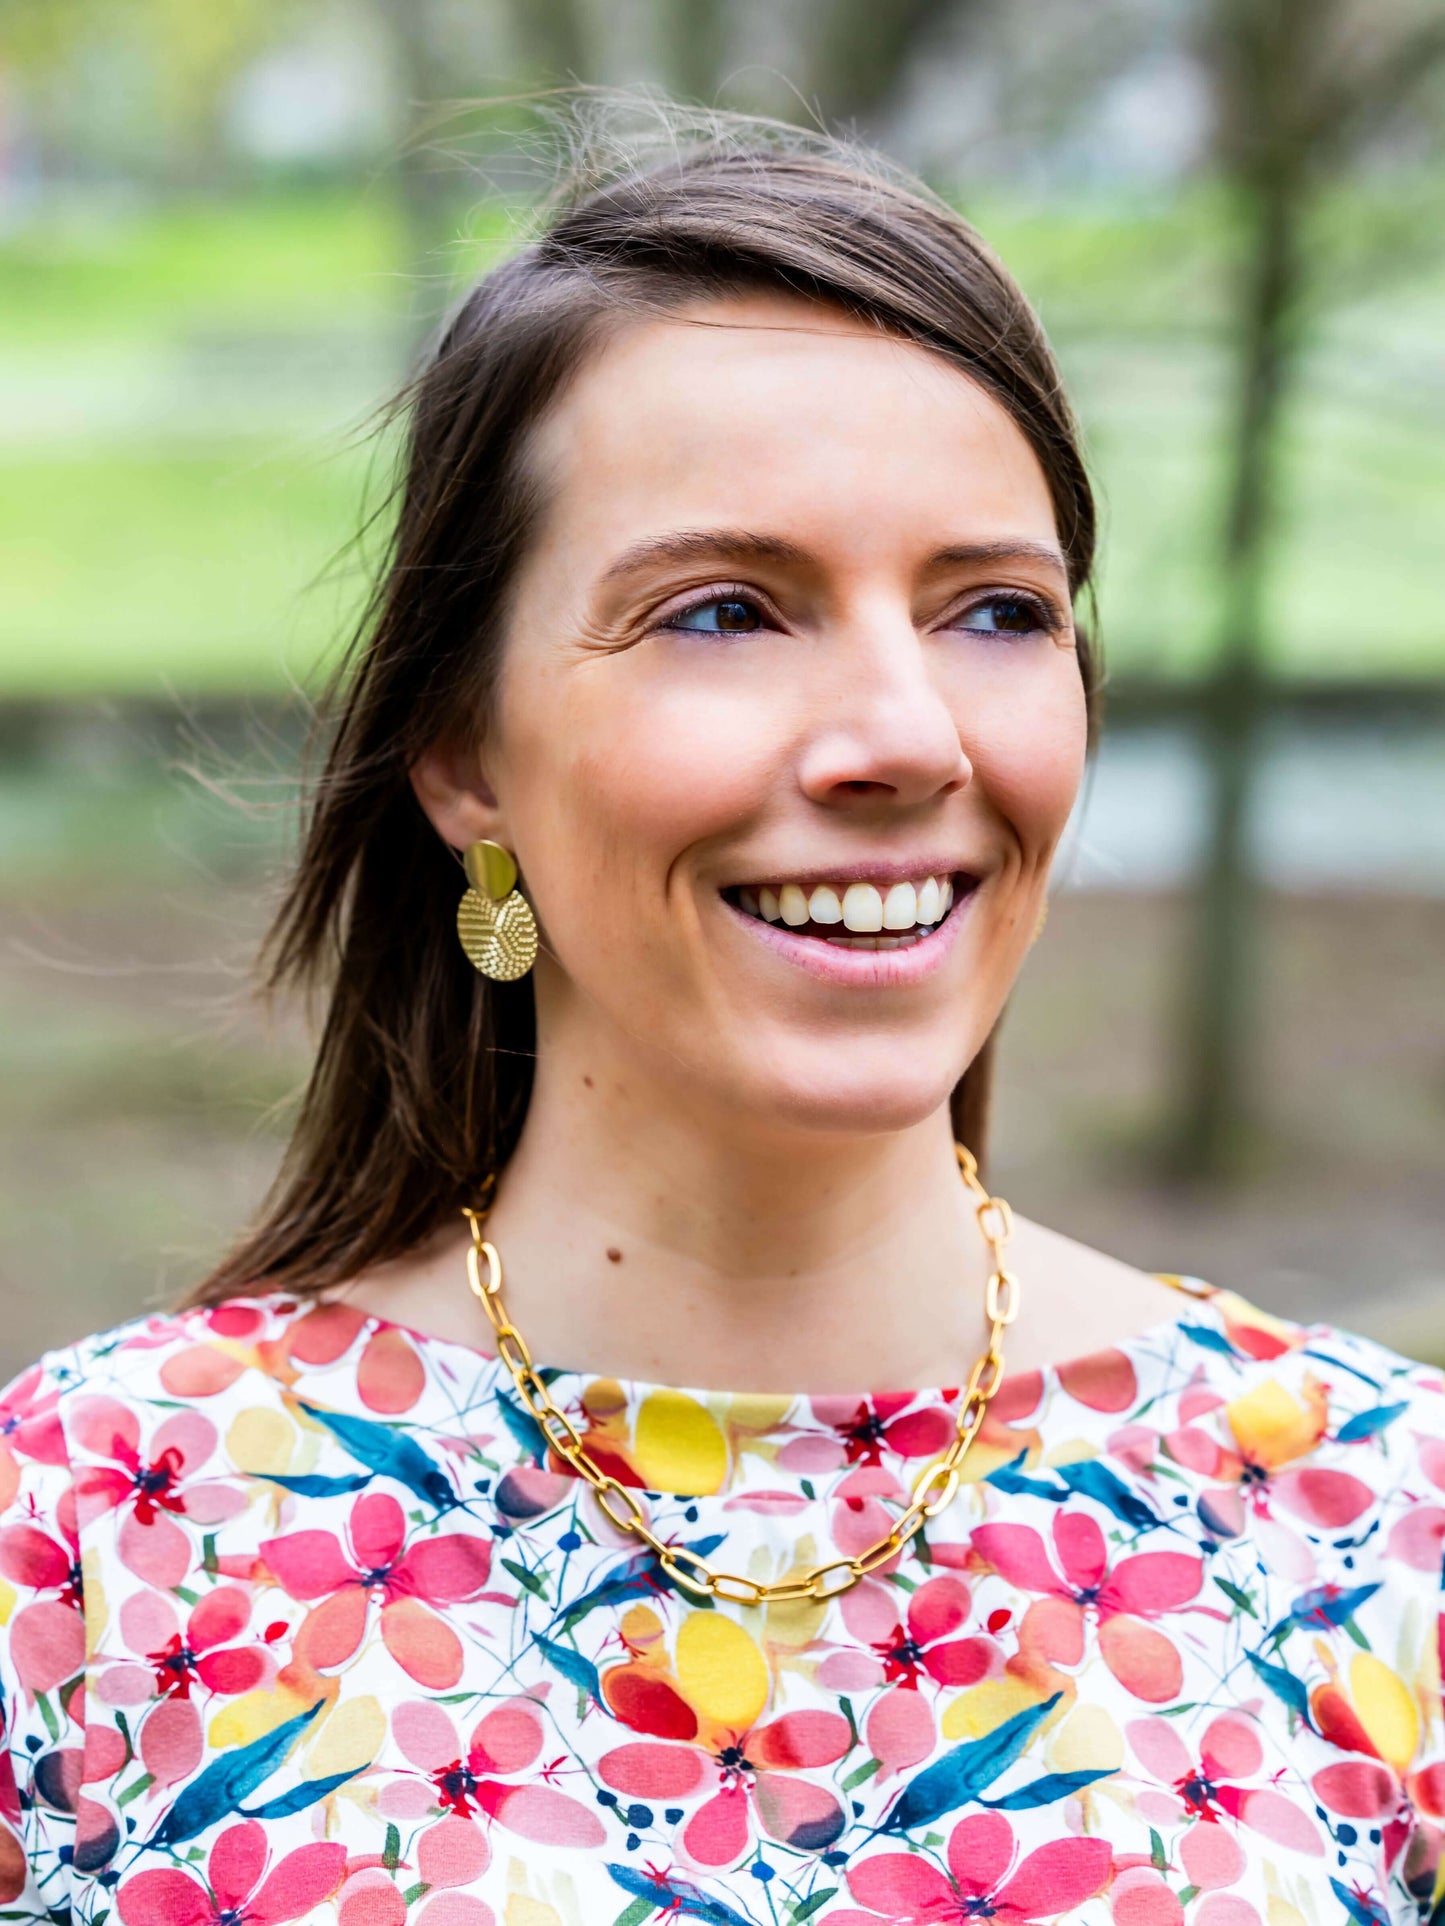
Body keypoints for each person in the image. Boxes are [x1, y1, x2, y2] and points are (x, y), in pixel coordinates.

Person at [2, 117, 1441, 1926]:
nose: (908, 734)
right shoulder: (95, 1531)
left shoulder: (1379, 1527)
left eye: (996, 609)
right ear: (460, 751)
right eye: (725, 612)